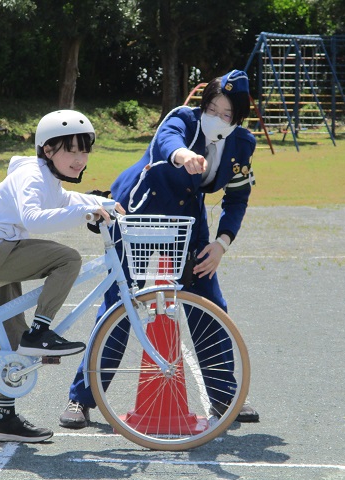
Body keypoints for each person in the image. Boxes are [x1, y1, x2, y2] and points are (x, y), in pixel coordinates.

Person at [60, 69, 260, 428]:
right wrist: (183, 155)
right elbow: (168, 140)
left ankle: (225, 397)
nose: (216, 117)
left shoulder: (242, 144)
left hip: (186, 221)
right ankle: (82, 399)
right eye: (212, 108)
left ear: (238, 118)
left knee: (210, 303)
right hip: (137, 212)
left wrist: (221, 243)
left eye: (226, 113)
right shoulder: (182, 118)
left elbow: (237, 197)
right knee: (119, 306)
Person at [0, 110, 115, 443]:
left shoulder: (47, 177)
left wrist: (104, 203)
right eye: (71, 150)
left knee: (12, 341)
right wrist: (85, 210)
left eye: (85, 150)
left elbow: (67, 199)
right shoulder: (32, 175)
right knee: (68, 259)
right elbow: (34, 217)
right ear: (48, 150)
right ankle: (40, 331)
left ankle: (5, 419)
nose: (80, 159)